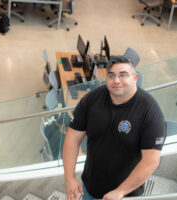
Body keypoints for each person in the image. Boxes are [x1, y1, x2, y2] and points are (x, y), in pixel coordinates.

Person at [63, 56, 167, 200]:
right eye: (111, 76)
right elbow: (73, 138)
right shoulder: (92, 100)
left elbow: (151, 161)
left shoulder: (150, 112)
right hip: (90, 188)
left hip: (126, 195)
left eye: (123, 75)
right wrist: (69, 178)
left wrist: (121, 191)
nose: (116, 80)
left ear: (135, 77)